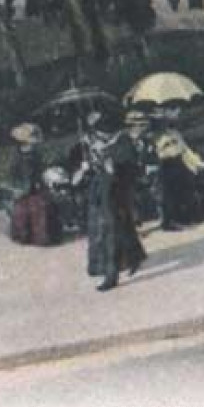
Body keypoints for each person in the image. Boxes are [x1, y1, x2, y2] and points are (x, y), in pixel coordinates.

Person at [83, 111, 146, 292]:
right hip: (100, 191)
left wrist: (114, 167)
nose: (99, 135)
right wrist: (89, 165)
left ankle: (112, 274)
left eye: (102, 132)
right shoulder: (94, 142)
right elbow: (94, 165)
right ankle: (132, 258)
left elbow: (131, 169)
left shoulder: (123, 142)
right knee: (113, 229)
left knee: (112, 231)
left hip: (116, 192)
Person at [151, 112, 204, 229]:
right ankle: (178, 220)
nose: (163, 125)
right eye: (160, 123)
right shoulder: (153, 139)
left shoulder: (174, 134)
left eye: (164, 122)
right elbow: (155, 155)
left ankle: (196, 216)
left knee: (189, 191)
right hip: (165, 166)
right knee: (172, 195)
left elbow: (185, 150)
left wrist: (198, 164)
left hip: (179, 163)